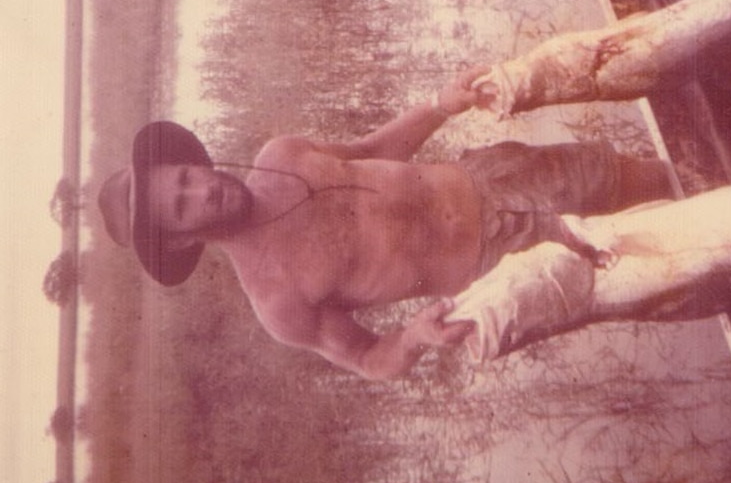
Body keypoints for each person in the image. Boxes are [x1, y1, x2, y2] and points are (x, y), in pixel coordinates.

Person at [98, 65, 670, 380]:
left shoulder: (282, 153)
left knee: (652, 178)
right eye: (182, 206)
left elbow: (375, 149)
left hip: (493, 175)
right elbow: (370, 359)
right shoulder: (277, 302)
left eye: (185, 177)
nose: (202, 188)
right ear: (181, 240)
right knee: (659, 256)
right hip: (506, 262)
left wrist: (441, 106)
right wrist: (416, 337)